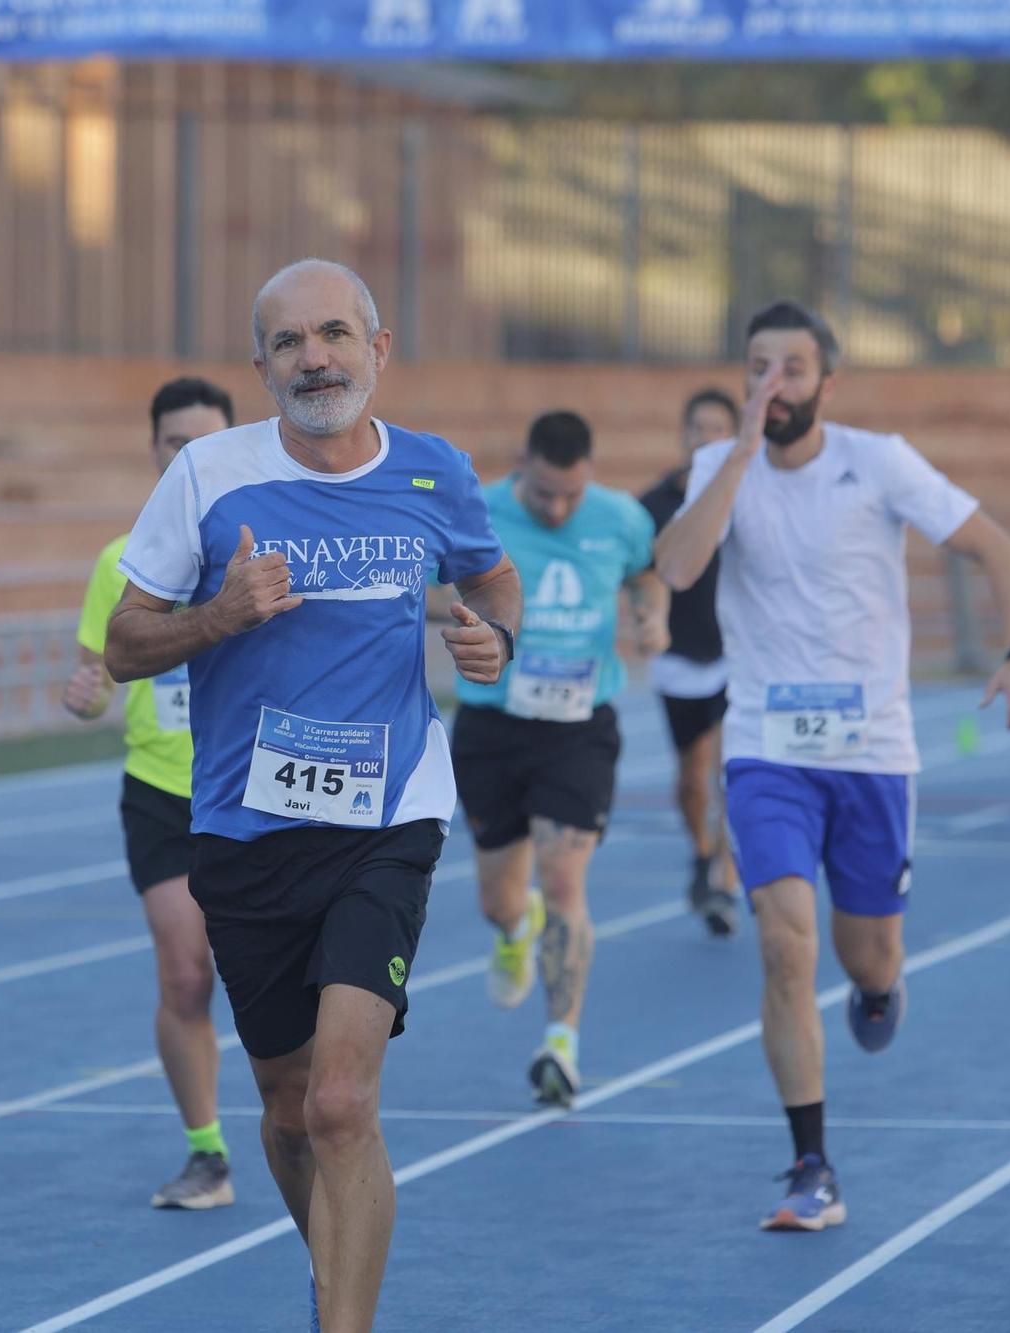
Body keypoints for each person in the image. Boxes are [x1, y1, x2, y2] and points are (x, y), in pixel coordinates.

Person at [105, 260, 518, 1332]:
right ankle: (335, 1267)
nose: (313, 358)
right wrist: (217, 617)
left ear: (377, 350)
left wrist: (494, 636)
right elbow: (123, 641)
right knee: (288, 1114)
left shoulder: (434, 474)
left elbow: (490, 574)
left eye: (333, 334)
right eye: (287, 343)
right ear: (260, 367)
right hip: (244, 827)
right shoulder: (206, 474)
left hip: (386, 817)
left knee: (342, 1101)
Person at [655, 301, 1010, 1233]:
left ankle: (878, 985)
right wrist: (740, 454)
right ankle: (811, 1166)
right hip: (765, 749)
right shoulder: (720, 465)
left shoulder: (878, 460)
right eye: (759, 366)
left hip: (872, 751)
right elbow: (675, 569)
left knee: (861, 952)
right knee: (785, 943)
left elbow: (998, 546)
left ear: (827, 382)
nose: (774, 384)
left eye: (792, 368)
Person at [447, 409, 666, 1109]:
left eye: (571, 494)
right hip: (493, 723)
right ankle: (517, 929)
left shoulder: (620, 517)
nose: (559, 507)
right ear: (523, 465)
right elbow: (421, 585)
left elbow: (648, 572)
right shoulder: (476, 509)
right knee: (499, 897)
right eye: (544, 494)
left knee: (565, 878)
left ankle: (561, 1043)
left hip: (579, 726)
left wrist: (651, 613)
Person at [62, 376, 238, 1210]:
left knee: (277, 981)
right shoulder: (118, 561)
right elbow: (101, 673)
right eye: (175, 443)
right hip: (162, 791)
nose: (187, 457)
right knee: (183, 973)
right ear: (155, 451)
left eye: (203, 443)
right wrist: (87, 693)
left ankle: (305, 1114)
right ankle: (207, 1150)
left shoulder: (261, 550)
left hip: (257, 792)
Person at [638, 388, 744, 936]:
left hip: (736, 654)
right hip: (679, 655)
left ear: (734, 437)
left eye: (717, 429)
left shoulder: (749, 496)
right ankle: (702, 853)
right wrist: (645, 617)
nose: (706, 438)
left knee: (728, 769)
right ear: (685, 435)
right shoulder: (655, 503)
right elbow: (638, 571)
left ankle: (724, 878)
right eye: (697, 428)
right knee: (691, 781)